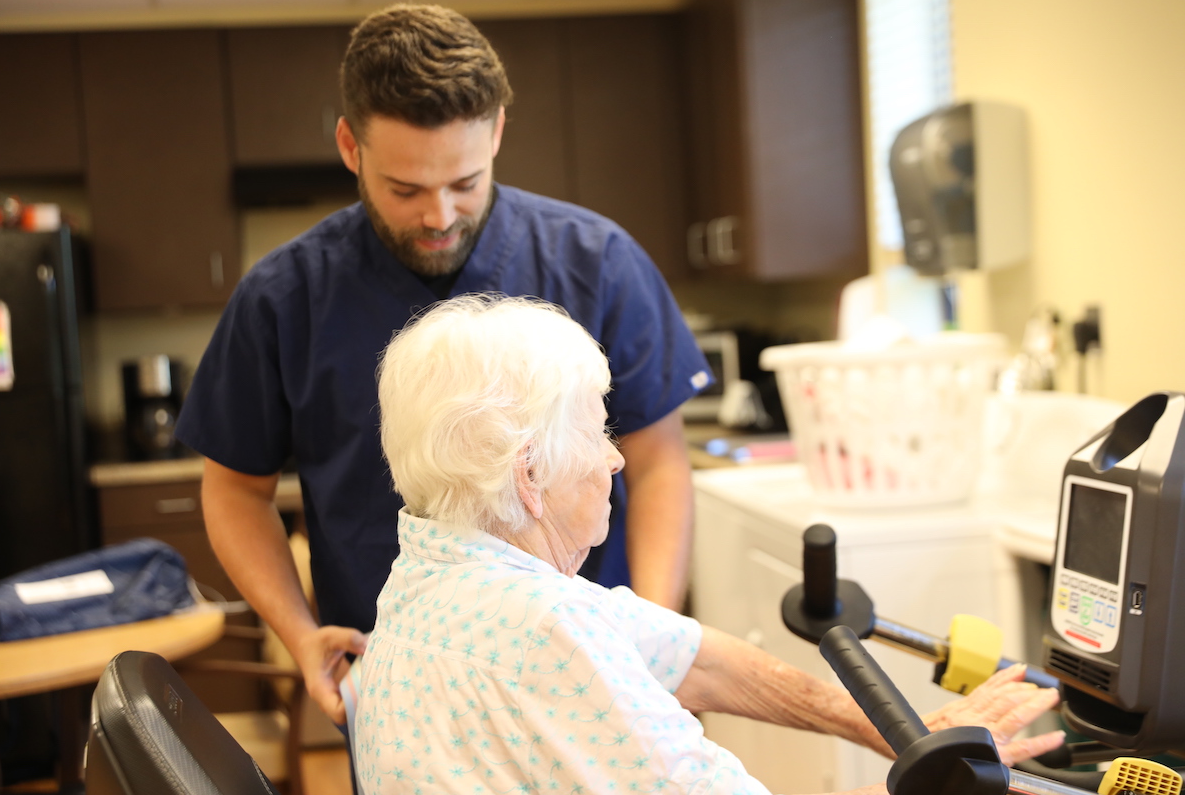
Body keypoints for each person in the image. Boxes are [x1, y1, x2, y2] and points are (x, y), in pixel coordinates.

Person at [174, 2, 710, 726]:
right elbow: (236, 494)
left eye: (464, 183)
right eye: (405, 190)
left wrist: (648, 636)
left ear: (494, 133)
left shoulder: (597, 263)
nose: (438, 216)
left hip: (587, 675)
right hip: (398, 690)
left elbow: (657, 464)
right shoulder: (283, 299)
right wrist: (301, 641)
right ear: (349, 146)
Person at [353, 293, 1063, 795]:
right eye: (597, 432)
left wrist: (908, 733)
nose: (615, 460)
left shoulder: (427, 572)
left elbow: (699, 661)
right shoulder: (545, 628)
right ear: (530, 473)